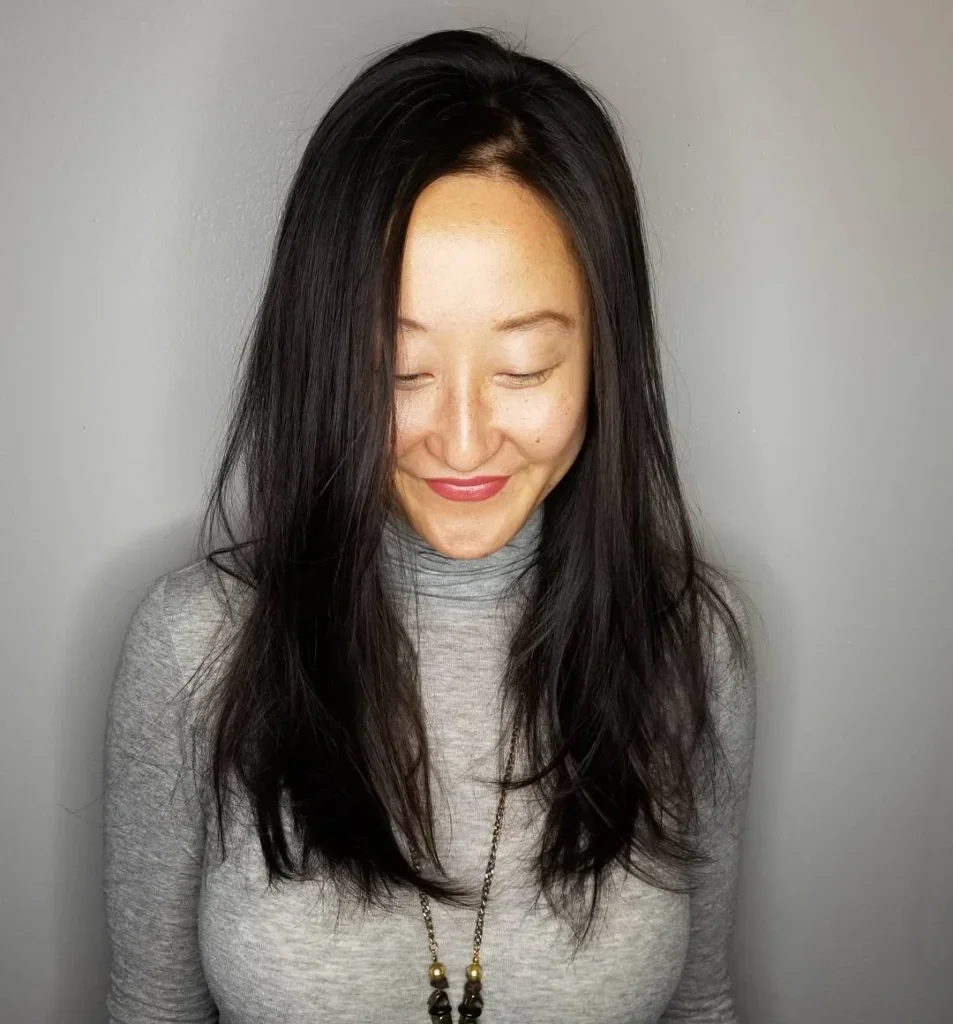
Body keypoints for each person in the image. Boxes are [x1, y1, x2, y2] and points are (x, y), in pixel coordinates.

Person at [103, 26, 757, 1024]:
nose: (459, 440)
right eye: (397, 370)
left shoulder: (688, 648)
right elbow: (148, 1010)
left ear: (601, 362)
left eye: (523, 369)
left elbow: (701, 1005)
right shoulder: (196, 648)